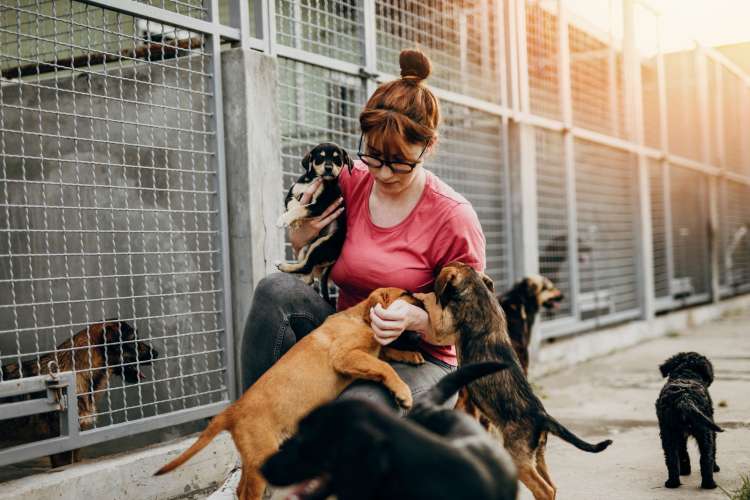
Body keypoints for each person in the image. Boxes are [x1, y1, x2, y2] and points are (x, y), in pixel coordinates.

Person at [209, 48, 486, 499]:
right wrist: (303, 236)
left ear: (427, 148)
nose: (381, 172)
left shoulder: (453, 217)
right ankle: (255, 459)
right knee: (276, 290)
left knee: (350, 422)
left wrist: (417, 319)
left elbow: (473, 323)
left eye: (398, 161)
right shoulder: (353, 179)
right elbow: (307, 246)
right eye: (372, 156)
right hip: (346, 334)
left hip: (421, 357)